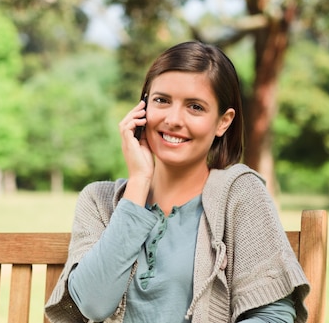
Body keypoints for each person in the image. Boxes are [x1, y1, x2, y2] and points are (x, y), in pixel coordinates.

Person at [44, 41, 309, 323]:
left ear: (223, 122)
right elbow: (93, 305)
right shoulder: (98, 201)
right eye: (162, 100)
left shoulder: (240, 193)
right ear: (142, 107)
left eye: (195, 107)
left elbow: (273, 315)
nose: (173, 119)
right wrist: (139, 180)